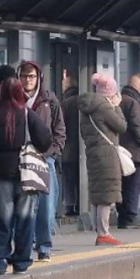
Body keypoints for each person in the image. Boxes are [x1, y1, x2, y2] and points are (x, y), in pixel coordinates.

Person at [0, 76, 52, 273]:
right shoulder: (28, 115)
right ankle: (21, 261)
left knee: (0, 219)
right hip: (26, 174)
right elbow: (46, 139)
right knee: (26, 219)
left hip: (2, 174)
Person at [18, 61, 66, 261]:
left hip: (45, 160)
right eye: (24, 76)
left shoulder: (49, 99)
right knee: (24, 207)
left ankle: (44, 246)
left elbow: (60, 130)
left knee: (46, 207)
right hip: (22, 160)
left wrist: (52, 152)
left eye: (32, 76)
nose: (28, 80)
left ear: (39, 78)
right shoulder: (14, 99)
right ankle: (25, 247)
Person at [77, 74, 128, 246]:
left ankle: (100, 231)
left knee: (99, 193)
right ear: (111, 93)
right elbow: (121, 126)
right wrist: (117, 107)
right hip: (106, 155)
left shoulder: (87, 108)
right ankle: (103, 233)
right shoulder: (105, 107)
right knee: (107, 193)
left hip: (93, 153)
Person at [118, 74, 140, 230]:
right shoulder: (133, 102)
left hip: (122, 150)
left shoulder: (121, 99)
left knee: (124, 184)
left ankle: (123, 215)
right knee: (134, 185)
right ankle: (130, 216)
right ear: (135, 86)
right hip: (135, 151)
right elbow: (138, 125)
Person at [60, 72, 81, 217]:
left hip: (67, 150)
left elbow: (61, 126)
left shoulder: (65, 104)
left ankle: (69, 206)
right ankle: (81, 204)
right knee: (80, 179)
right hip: (82, 150)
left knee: (68, 180)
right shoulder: (81, 102)